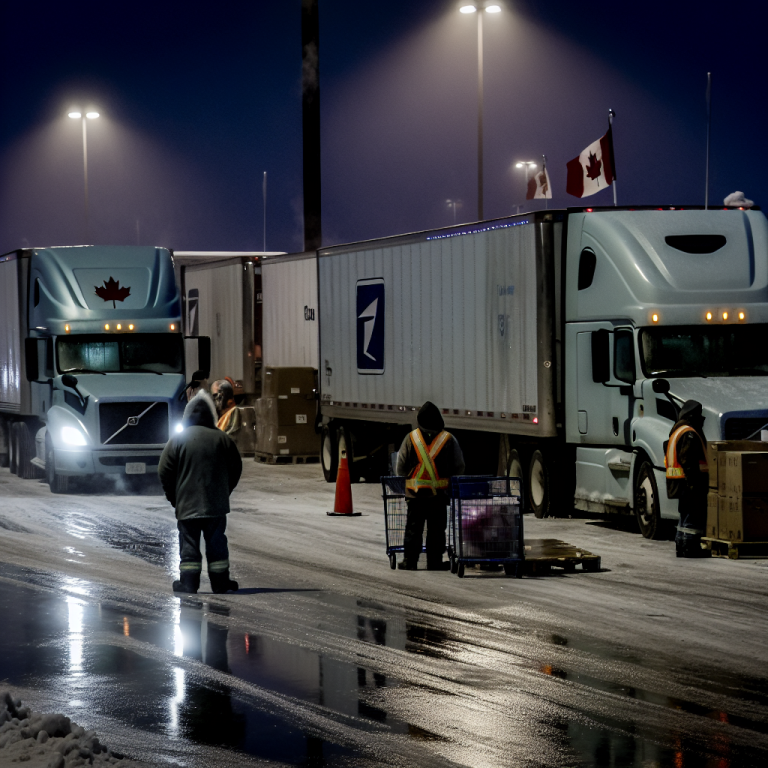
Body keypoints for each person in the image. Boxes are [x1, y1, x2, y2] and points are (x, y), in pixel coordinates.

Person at [158, 391, 243, 593]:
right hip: (215, 504)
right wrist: (224, 492)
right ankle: (221, 583)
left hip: (187, 504)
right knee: (216, 543)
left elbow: (164, 471)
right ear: (211, 416)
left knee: (189, 543)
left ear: (186, 417)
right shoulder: (223, 439)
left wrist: (175, 498)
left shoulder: (177, 441)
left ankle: (188, 583)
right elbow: (236, 468)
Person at [396, 401, 465, 570]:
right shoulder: (448, 439)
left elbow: (400, 468)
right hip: (438, 496)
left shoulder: (411, 438)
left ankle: (409, 561)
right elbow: (459, 466)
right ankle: (434, 562)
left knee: (413, 529)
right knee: (436, 530)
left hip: (415, 495)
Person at [665, 399, 710, 558]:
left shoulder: (678, 430)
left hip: (678, 482)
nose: (702, 419)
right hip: (689, 482)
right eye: (699, 415)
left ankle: (682, 546)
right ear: (693, 416)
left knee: (684, 517)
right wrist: (694, 483)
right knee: (693, 516)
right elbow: (688, 460)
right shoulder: (689, 433)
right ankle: (690, 548)